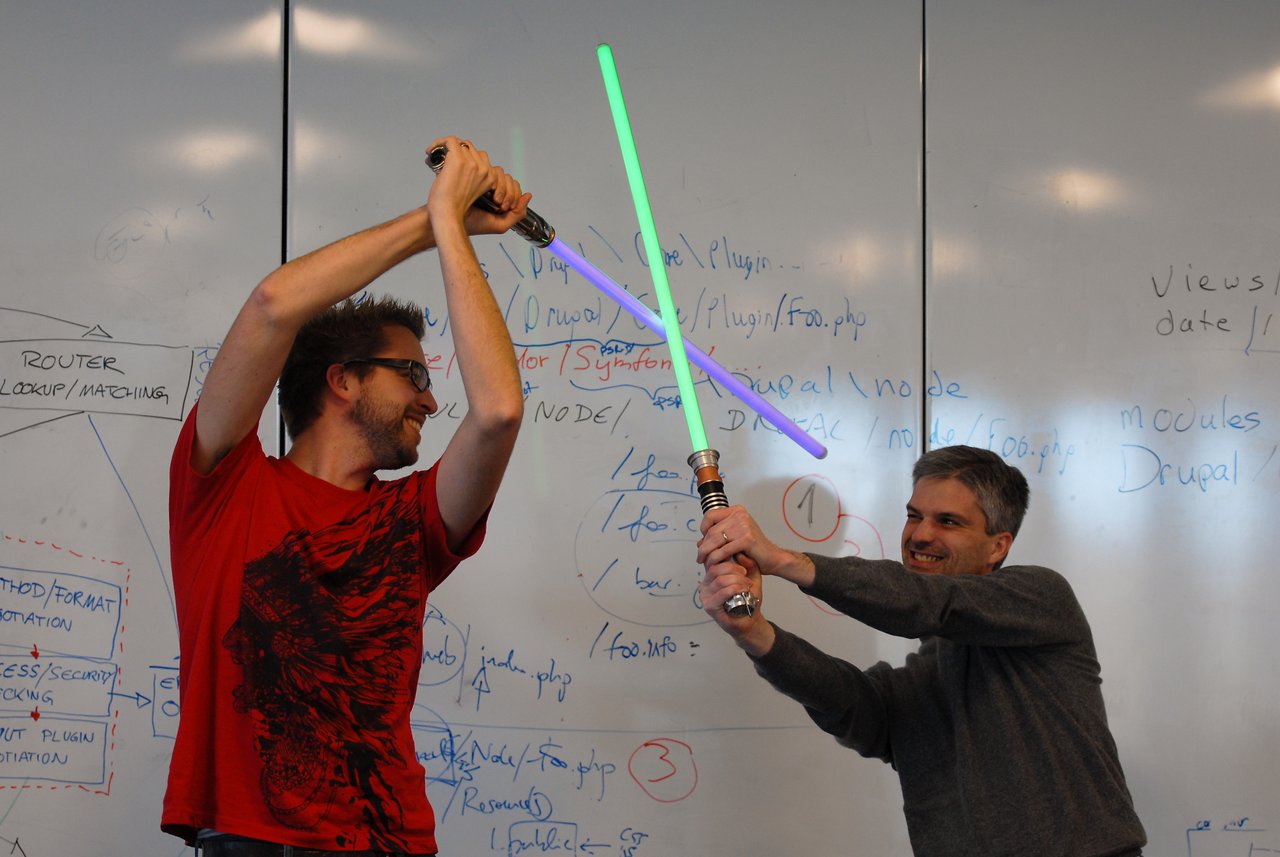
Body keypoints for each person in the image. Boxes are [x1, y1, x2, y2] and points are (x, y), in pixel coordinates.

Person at [162, 137, 529, 856]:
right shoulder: (223, 490)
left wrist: (453, 228)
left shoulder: (414, 520)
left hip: (386, 841)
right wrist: (436, 215)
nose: (429, 398)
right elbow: (274, 304)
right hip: (251, 839)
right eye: (410, 374)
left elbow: (498, 413)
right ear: (342, 379)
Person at [696, 445, 1146, 857]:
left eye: (948, 521)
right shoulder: (927, 669)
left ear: (998, 546)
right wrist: (753, 632)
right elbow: (857, 707)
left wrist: (779, 559)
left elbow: (926, 602)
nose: (920, 534)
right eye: (914, 516)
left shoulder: (1042, 599)